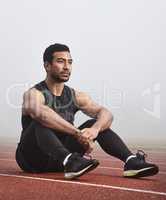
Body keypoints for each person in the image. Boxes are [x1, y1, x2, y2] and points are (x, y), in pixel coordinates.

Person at [15, 43, 159, 180]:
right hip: (32, 159)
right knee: (40, 123)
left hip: (60, 161)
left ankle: (131, 161)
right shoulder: (33, 94)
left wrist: (94, 130)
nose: (67, 67)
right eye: (60, 61)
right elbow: (41, 114)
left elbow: (105, 113)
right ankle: (70, 160)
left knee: (95, 123)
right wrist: (78, 133)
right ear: (47, 65)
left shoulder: (76, 96)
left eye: (70, 62)